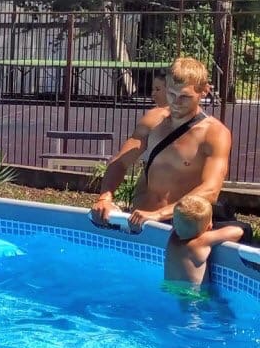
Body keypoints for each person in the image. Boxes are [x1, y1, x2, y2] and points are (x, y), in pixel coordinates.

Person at [91, 57, 232, 232]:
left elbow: (210, 190)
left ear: (204, 91)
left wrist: (159, 214)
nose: (176, 103)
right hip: (139, 223)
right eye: (171, 94)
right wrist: (105, 197)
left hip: (178, 230)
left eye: (185, 97)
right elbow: (120, 162)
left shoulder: (214, 134)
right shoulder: (153, 120)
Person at [164, 194, 244, 287]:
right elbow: (238, 231)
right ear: (209, 226)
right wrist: (208, 233)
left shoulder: (172, 237)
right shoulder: (201, 242)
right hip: (193, 294)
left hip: (169, 288)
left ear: (173, 223)